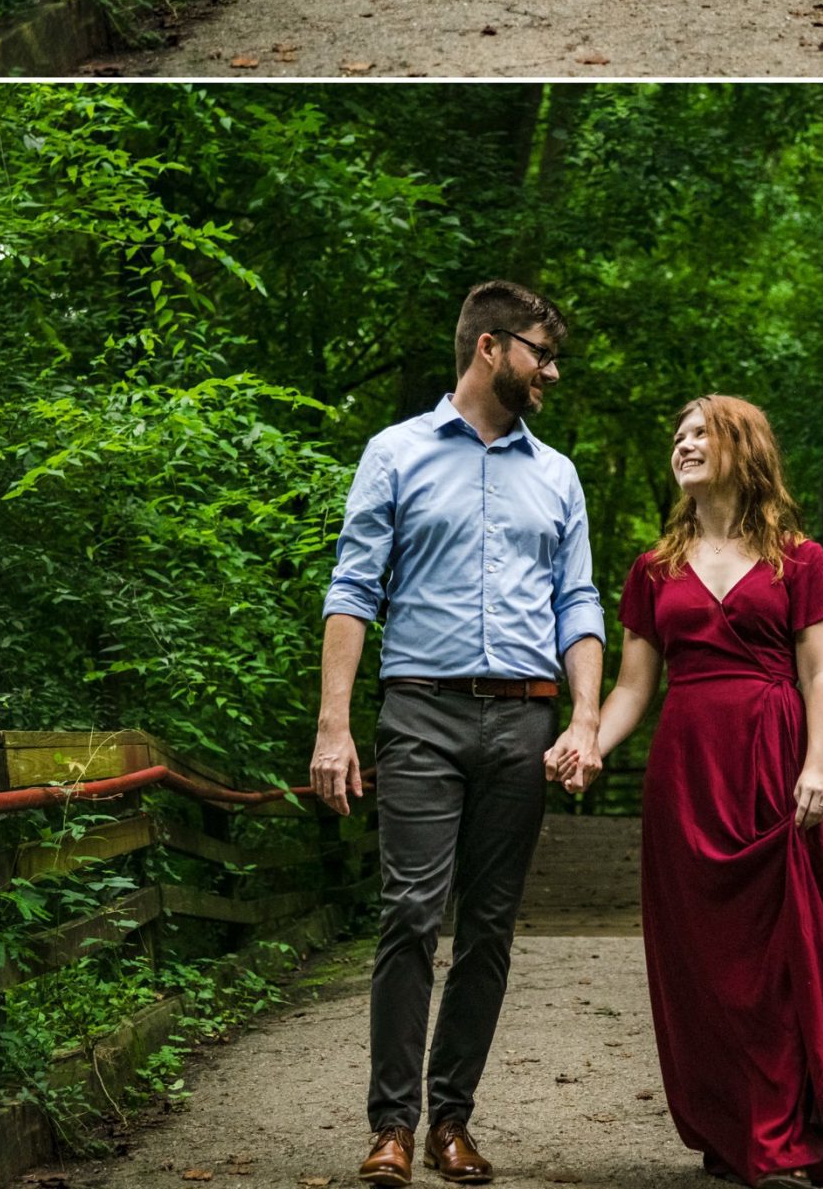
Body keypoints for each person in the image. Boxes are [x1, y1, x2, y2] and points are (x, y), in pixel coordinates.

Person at [310, 280, 605, 1189]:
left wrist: (587, 719)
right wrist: (335, 726)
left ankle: (452, 1121)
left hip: (523, 715)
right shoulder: (394, 453)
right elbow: (354, 590)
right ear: (490, 347)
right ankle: (391, 1125)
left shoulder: (556, 473)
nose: (550, 370)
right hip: (420, 713)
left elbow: (579, 603)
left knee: (487, 928)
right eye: (541, 353)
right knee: (408, 912)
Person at [558, 396, 823, 1189]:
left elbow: (822, 671)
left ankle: (794, 1129)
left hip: (774, 763)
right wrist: (586, 742)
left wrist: (817, 766)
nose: (685, 443)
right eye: (678, 435)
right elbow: (636, 688)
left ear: (745, 447)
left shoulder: (799, 557)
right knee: (701, 964)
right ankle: (732, 1126)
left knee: (781, 958)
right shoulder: (653, 567)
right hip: (688, 776)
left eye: (701, 431)